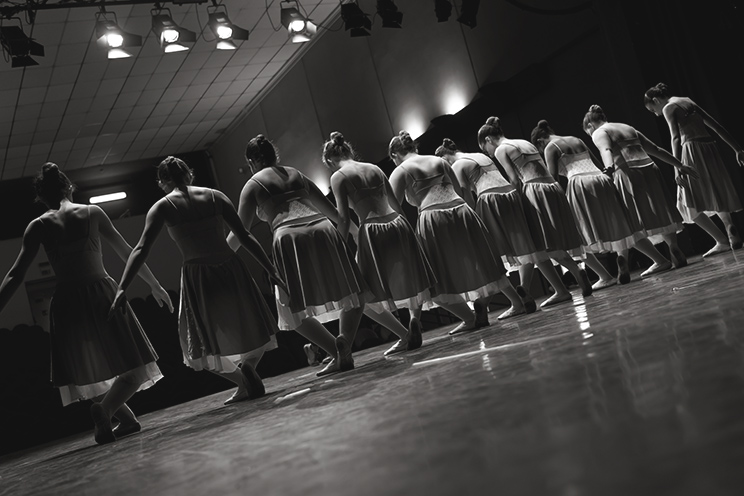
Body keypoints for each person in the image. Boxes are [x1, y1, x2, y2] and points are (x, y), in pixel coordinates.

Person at [0, 163, 172, 445]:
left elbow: (15, 274)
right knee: (134, 367)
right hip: (101, 293)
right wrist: (154, 285)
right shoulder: (92, 213)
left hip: (67, 302)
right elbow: (128, 252)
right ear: (69, 187)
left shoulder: (38, 225)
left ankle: (126, 420)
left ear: (41, 197)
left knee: (87, 368)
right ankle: (105, 410)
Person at [111, 156, 282, 405]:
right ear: (189, 174)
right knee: (251, 325)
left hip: (199, 274)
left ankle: (243, 379)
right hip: (230, 267)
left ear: (162, 182)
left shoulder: (162, 206)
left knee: (197, 344)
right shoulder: (215, 196)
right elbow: (244, 235)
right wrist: (270, 267)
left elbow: (141, 249)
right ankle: (248, 370)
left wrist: (122, 287)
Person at [231, 135, 367, 376]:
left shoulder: (253, 184)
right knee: (352, 291)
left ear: (252, 161)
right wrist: (354, 233)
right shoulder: (296, 173)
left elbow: (240, 231)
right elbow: (332, 212)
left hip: (290, 237)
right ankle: (344, 340)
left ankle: (335, 350)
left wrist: (222, 254)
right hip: (323, 229)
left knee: (289, 308)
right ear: (275, 155)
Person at [388, 131, 532, 335]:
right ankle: (516, 301)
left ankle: (468, 317)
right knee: (482, 259)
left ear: (394, 155)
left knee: (435, 273)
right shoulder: (439, 161)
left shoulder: (400, 171)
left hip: (433, 216)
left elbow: (394, 208)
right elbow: (458, 188)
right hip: (461, 209)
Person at [322, 132, 435, 355]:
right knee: (410, 275)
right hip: (397, 223)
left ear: (329, 161)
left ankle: (399, 335)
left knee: (359, 293)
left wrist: (339, 246)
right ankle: (412, 322)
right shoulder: (374, 168)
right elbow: (395, 203)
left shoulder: (339, 177)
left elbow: (344, 218)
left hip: (372, 229)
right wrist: (409, 233)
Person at [530, 120, 671, 286]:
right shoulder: (576, 139)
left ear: (539, 141)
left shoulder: (550, 148)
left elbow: (553, 179)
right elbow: (597, 161)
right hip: (600, 178)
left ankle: (604, 276)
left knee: (577, 234)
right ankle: (660, 259)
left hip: (580, 183)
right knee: (622, 225)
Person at [477, 117, 593, 305]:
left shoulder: (501, 149)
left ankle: (572, 274)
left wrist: (514, 203)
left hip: (534, 191)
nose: (488, 154)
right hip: (552, 187)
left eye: (485, 149)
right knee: (548, 242)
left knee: (542, 243)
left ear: (488, 140)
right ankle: (569, 277)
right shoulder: (523, 142)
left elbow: (514, 179)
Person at [583, 105, 699, 274]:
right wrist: (679, 164)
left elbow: (606, 150)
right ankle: (673, 246)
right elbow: (655, 149)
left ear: (590, 126)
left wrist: (608, 170)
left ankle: (657, 259)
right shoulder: (627, 127)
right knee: (661, 211)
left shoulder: (599, 132)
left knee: (628, 220)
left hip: (628, 171)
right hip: (649, 167)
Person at [644, 82, 743, 253]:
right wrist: (738, 149)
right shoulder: (687, 101)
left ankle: (721, 240)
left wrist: (677, 166)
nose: (657, 114)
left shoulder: (668, 107)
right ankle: (730, 227)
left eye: (653, 110)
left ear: (655, 100)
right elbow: (717, 127)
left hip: (692, 150)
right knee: (715, 190)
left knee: (685, 202)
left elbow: (675, 138)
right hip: (709, 147)